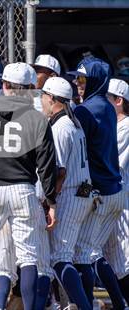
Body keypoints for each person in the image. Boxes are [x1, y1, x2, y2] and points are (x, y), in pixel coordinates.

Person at [0, 62, 58, 310]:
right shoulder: (38, 118)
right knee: (27, 255)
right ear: (30, 89)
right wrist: (51, 201)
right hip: (23, 189)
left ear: (4, 86)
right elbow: (46, 166)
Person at [68, 57, 126, 309]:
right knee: (95, 253)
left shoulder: (86, 109)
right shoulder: (104, 105)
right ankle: (116, 302)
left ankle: (91, 303)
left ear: (96, 81)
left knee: (86, 253)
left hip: (100, 192)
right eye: (77, 79)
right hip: (113, 190)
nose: (77, 84)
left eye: (82, 79)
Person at [40, 77, 93, 310]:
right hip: (82, 193)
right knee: (71, 256)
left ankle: (82, 306)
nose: (41, 100)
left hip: (71, 194)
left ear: (52, 99)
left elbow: (59, 172)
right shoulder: (73, 122)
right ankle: (69, 304)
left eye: (43, 95)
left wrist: (48, 201)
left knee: (60, 257)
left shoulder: (61, 127)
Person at [104, 78, 129, 305]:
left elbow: (111, 161)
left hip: (121, 201)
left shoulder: (126, 127)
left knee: (122, 261)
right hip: (107, 199)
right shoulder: (109, 125)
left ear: (118, 101)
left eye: (106, 98)